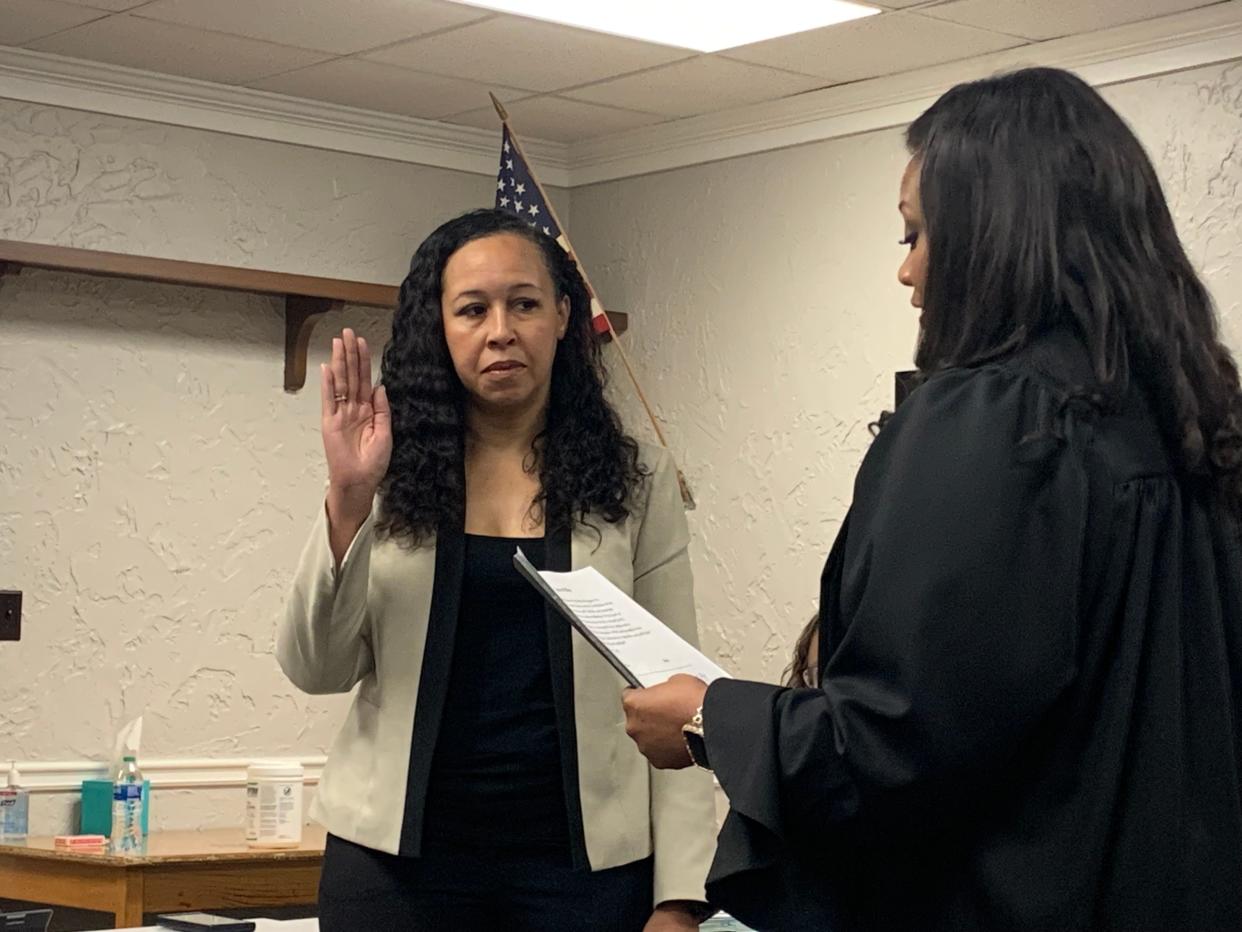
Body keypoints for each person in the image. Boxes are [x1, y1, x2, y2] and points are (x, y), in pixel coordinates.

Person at [622, 67, 1242, 931]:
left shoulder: (994, 422)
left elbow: (898, 748)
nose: (907, 272)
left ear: (998, 238)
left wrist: (707, 721)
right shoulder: (1192, 418)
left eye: (916, 235)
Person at [277, 208, 715, 931]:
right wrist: (349, 498)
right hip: (397, 873)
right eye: (472, 309)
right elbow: (315, 666)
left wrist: (680, 898)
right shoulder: (387, 477)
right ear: (441, 328)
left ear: (564, 317)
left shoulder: (636, 483)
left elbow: (677, 689)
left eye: (524, 304)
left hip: (584, 875)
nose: (500, 330)